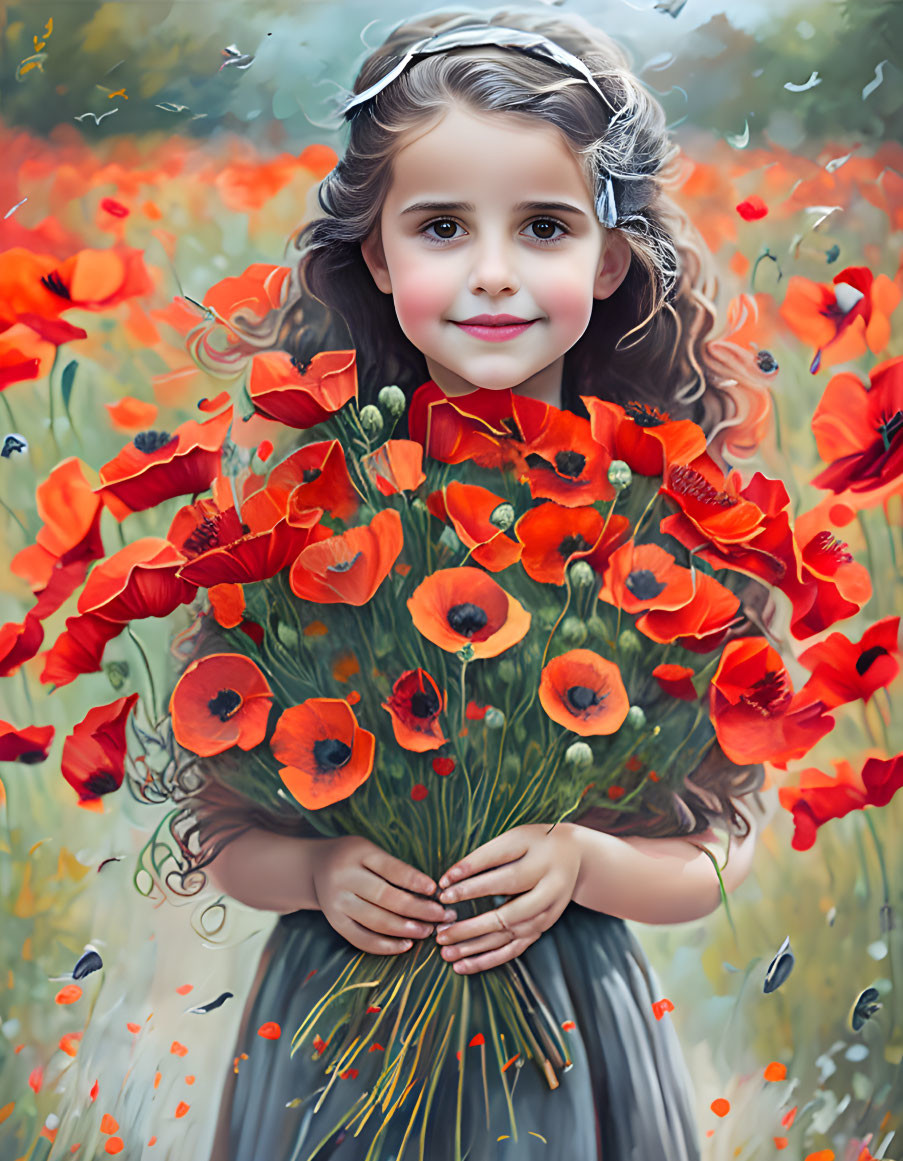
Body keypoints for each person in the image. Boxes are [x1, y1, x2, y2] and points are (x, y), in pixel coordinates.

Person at [179, 7, 768, 1159]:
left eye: (542, 226)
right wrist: (315, 868)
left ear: (608, 257)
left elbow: (717, 848)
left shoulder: (657, 518)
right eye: (443, 226)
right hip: (337, 1033)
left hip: (565, 1026)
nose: (493, 274)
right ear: (377, 252)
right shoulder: (316, 507)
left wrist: (588, 862)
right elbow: (226, 835)